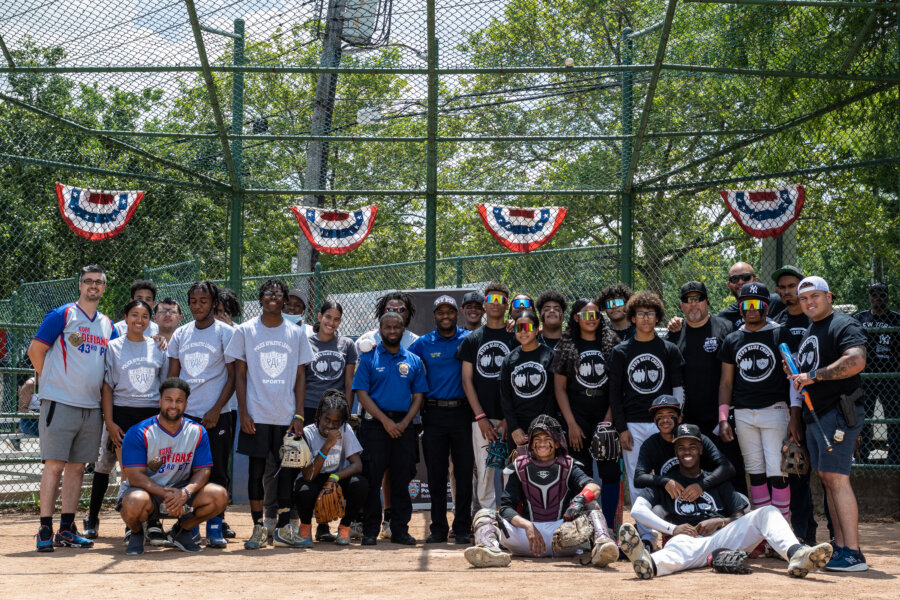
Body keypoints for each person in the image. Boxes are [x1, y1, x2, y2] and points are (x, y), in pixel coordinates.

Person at [620, 423, 834, 580]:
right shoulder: (669, 483)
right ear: (675, 452)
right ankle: (647, 562)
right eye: (682, 447)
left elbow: (740, 514)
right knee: (675, 553)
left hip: (723, 537)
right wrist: (674, 529)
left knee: (767, 512)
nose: (687, 451)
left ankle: (796, 554)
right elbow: (638, 510)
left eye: (692, 446)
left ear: (701, 449)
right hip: (687, 538)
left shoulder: (714, 480)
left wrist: (720, 522)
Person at [28, 264, 117, 552]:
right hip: (61, 402)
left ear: (104, 287)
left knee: (77, 468)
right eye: (88, 281)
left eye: (98, 282)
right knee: (54, 466)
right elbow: (35, 351)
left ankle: (66, 528)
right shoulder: (62, 314)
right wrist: (53, 382)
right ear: (79, 285)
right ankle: (44, 528)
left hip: (91, 408)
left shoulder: (107, 325)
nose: (93, 286)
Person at [225, 278, 314, 550]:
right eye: (268, 292)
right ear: (260, 298)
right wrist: (243, 410)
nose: (273, 297)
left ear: (285, 300)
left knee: (287, 472)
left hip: (286, 415)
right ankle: (257, 528)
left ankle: (285, 529)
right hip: (257, 413)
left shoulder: (296, 332)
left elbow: (300, 376)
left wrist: (298, 414)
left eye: (278, 293)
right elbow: (239, 375)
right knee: (256, 472)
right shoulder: (245, 330)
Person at [463, 415, 619, 568]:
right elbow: (505, 508)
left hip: (563, 537)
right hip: (526, 537)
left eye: (547, 439)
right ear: (531, 444)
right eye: (537, 439)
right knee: (485, 514)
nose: (542, 443)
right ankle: (489, 550)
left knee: (591, 505)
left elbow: (594, 487)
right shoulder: (520, 466)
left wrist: (579, 500)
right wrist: (527, 526)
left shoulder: (568, 465)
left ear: (557, 443)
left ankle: (602, 546)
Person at [791, 276, 868, 571]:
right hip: (817, 414)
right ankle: (841, 547)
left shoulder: (842, 324)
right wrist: (798, 371)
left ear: (829, 296)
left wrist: (814, 376)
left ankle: (853, 553)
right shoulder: (812, 329)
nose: (809, 302)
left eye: (815, 296)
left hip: (837, 413)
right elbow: (812, 370)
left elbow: (857, 360)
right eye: (804, 299)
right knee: (827, 478)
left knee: (836, 478)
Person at [83, 299, 169, 542]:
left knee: (153, 469)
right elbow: (108, 387)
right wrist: (109, 423)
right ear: (125, 317)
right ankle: (131, 524)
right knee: (130, 472)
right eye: (134, 315)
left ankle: (153, 522)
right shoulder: (114, 347)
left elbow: (163, 389)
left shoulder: (158, 348)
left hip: (151, 415)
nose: (139, 320)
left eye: (144, 316)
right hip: (123, 414)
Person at [118, 377, 229, 555]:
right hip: (149, 493)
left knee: (219, 495)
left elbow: (203, 470)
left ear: (186, 404)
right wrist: (168, 494)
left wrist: (186, 493)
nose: (173, 405)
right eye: (168, 399)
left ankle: (182, 532)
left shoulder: (197, 431)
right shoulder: (139, 431)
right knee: (133, 501)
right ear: (160, 401)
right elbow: (135, 476)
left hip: (180, 491)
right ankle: (136, 533)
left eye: (179, 401)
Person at [608, 290, 684, 546]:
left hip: (665, 423)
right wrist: (621, 428)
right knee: (638, 479)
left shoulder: (669, 348)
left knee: (671, 475)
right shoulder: (621, 351)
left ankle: (672, 532)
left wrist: (677, 421)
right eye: (640, 314)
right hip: (633, 423)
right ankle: (647, 535)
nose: (645, 319)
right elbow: (615, 394)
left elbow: (678, 389)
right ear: (632, 317)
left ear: (657, 317)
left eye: (650, 314)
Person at [167, 281, 235, 547]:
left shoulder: (225, 333)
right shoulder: (181, 334)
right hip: (187, 416)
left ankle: (215, 526)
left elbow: (233, 377)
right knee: (187, 472)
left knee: (218, 470)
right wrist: (174, 411)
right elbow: (174, 376)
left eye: (203, 301)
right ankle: (190, 526)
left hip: (217, 414)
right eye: (193, 301)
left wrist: (216, 409)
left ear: (214, 302)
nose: (198, 306)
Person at [717, 282, 792, 524]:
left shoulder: (780, 333)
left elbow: (793, 376)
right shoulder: (732, 339)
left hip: (775, 410)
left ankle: (781, 530)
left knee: (778, 473)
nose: (750, 309)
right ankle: (762, 532)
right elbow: (726, 383)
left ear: (766, 307)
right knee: (756, 474)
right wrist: (723, 418)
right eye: (744, 304)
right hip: (744, 413)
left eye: (756, 304)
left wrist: (795, 415)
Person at [354, 312, 428, 546]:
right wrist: (385, 422)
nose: (393, 331)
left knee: (401, 480)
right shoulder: (369, 358)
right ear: (380, 329)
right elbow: (362, 394)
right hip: (375, 426)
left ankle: (399, 530)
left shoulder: (413, 360)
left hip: (404, 427)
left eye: (397, 327)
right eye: (388, 327)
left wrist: (405, 423)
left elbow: (418, 396)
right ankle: (370, 530)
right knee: (372, 480)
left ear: (403, 330)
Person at [665, 281, 744, 494]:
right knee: (696, 474)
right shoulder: (674, 334)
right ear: (681, 306)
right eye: (688, 301)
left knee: (731, 470)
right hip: (689, 420)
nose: (693, 305)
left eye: (698, 299)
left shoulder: (725, 328)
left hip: (723, 417)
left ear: (707, 302)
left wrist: (725, 416)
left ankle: (739, 519)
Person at [408, 295, 474, 545]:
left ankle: (462, 527)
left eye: (449, 312)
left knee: (464, 473)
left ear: (457, 314)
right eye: (440, 313)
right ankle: (437, 528)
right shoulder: (423, 343)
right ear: (434, 316)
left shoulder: (468, 339)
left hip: (462, 413)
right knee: (436, 475)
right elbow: (405, 365)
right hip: (433, 414)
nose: (445, 316)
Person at [552, 298, 621, 529]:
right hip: (577, 415)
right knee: (581, 474)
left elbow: (616, 387)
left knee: (610, 474)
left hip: (605, 414)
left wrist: (608, 421)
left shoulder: (611, 343)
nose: (591, 319)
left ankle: (610, 526)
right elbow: (560, 388)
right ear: (575, 318)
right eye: (585, 315)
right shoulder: (566, 345)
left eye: (595, 315)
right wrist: (571, 423)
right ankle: (587, 528)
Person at [456, 283, 517, 511]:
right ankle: (487, 523)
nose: (495, 304)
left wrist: (509, 419)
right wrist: (480, 417)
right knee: (485, 473)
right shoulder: (473, 339)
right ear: (484, 305)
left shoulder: (516, 336)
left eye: (501, 300)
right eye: (491, 299)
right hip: (482, 420)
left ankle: (511, 521)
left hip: (511, 419)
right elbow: (466, 380)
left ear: (506, 306)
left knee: (512, 471)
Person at [303, 299, 357, 541]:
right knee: (306, 467)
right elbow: (300, 380)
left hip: (334, 413)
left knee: (332, 466)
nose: (331, 323)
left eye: (336, 319)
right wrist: (297, 413)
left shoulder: (347, 345)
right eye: (328, 318)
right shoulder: (305, 343)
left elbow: (348, 383)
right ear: (319, 316)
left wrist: (345, 412)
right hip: (309, 408)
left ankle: (324, 526)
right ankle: (298, 522)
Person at [773, 265, 818, 546]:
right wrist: (793, 415)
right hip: (788, 407)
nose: (789, 291)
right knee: (796, 471)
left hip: (818, 406)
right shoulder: (778, 324)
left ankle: (836, 534)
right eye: (784, 287)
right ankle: (802, 533)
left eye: (794, 286)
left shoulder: (816, 320)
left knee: (826, 474)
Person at [633, 396, 736, 518]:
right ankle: (667, 534)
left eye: (670, 414)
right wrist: (664, 481)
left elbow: (728, 467)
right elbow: (638, 478)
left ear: (680, 418)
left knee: (741, 503)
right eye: (660, 415)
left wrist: (702, 485)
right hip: (673, 500)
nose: (665, 419)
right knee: (655, 511)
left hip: (704, 496)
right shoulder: (650, 444)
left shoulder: (697, 438)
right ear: (655, 420)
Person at [293, 389, 368, 546]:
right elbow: (308, 475)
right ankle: (305, 528)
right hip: (313, 478)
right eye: (327, 420)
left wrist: (334, 478)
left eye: (336, 422)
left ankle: (344, 527)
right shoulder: (308, 433)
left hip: (334, 477)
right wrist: (327, 446)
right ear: (319, 415)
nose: (330, 425)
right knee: (303, 490)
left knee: (359, 483)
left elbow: (357, 465)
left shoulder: (345, 430)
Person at [853, 282, 900, 465]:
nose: (877, 298)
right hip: (865, 376)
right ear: (869, 297)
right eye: (874, 294)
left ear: (887, 297)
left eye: (881, 294)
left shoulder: (895, 319)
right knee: (863, 418)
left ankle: (894, 457)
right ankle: (861, 456)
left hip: (889, 376)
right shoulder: (860, 318)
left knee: (893, 417)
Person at [500, 310, 556, 447]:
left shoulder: (549, 355)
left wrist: (543, 425)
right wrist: (513, 427)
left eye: (528, 327)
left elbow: (553, 394)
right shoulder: (509, 359)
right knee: (519, 467)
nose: (523, 332)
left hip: (544, 425)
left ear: (537, 330)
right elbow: (505, 396)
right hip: (518, 427)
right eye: (519, 328)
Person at [213, 286, 241, 539]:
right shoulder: (203, 332)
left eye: (225, 311)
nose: (221, 315)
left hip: (227, 409)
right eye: (217, 311)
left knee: (221, 467)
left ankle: (219, 518)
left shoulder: (236, 334)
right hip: (199, 410)